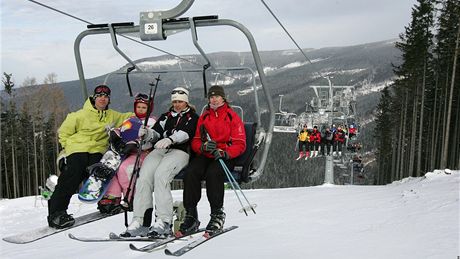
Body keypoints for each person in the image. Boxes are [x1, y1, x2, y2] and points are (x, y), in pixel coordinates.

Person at [47, 85, 132, 229]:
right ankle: (56, 213)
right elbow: (64, 133)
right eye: (100, 96)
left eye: (106, 97)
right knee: (73, 174)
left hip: (97, 150)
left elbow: (127, 117)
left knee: (102, 172)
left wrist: (142, 112)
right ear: (94, 97)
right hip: (77, 148)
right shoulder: (79, 115)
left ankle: (106, 202)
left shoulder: (112, 115)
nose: (103, 99)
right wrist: (66, 150)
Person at [121, 87, 198, 237]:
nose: (177, 104)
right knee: (143, 179)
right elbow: (156, 133)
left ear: (186, 102)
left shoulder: (192, 117)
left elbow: (186, 133)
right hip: (160, 150)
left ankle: (164, 220)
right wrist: (148, 133)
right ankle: (140, 220)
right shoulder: (165, 116)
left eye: (180, 102)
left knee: (161, 176)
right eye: (175, 101)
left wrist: (171, 139)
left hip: (179, 151)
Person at [177, 85, 246, 237]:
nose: (214, 99)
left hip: (224, 155)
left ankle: (217, 214)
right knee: (191, 172)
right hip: (207, 154)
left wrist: (225, 152)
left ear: (223, 98)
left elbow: (240, 143)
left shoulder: (231, 116)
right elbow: (195, 141)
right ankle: (191, 214)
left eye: (217, 96)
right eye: (211, 97)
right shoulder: (205, 117)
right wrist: (203, 146)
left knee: (213, 174)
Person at [97, 93, 156, 214]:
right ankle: (112, 196)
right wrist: (115, 134)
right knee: (110, 167)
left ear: (149, 109)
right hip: (125, 152)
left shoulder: (151, 121)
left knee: (125, 168)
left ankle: (132, 197)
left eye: (144, 108)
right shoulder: (131, 119)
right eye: (138, 107)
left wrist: (135, 143)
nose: (140, 109)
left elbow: (151, 137)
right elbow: (123, 129)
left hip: (142, 154)